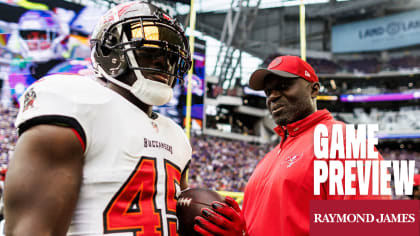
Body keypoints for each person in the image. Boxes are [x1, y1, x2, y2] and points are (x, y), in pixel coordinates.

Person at [3, 1, 192, 235]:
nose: (162, 62)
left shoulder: (176, 137)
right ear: (109, 52)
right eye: (149, 51)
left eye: (170, 56)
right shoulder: (74, 103)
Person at [194, 55, 390, 236]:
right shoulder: (270, 157)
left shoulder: (343, 140)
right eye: (269, 91)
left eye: (284, 85)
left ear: (314, 89)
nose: (273, 96)